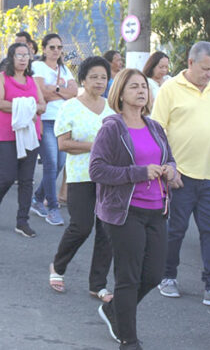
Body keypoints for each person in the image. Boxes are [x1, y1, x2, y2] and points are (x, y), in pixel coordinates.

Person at [90, 68, 176, 350]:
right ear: (121, 94)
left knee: (152, 275)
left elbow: (170, 159)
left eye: (144, 87)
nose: (141, 91)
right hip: (124, 212)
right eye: (134, 87)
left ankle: (114, 311)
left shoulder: (155, 127)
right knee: (128, 276)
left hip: (156, 210)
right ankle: (129, 340)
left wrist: (171, 171)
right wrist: (138, 172)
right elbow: (97, 169)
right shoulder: (112, 127)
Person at [152, 41, 210, 305]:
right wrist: (168, 168)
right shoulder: (170, 89)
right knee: (175, 229)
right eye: (205, 68)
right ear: (190, 62)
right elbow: (156, 131)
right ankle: (167, 276)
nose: (209, 74)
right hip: (180, 174)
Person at [48, 56, 115, 301]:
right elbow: (64, 144)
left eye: (104, 77)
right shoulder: (70, 107)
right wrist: (95, 145)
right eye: (94, 77)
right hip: (80, 176)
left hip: (109, 178)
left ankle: (98, 284)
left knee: (107, 230)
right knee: (81, 226)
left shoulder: (112, 107)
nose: (99, 82)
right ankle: (58, 266)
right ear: (83, 79)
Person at [0, 43, 46, 238]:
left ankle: (22, 221)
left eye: (26, 55)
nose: (22, 58)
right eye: (18, 55)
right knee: (8, 176)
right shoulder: (1, 78)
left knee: (27, 179)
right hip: (7, 134)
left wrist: (30, 108)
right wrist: (29, 108)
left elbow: (42, 105)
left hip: (30, 134)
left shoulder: (32, 80)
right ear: (11, 57)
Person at [31, 33, 78, 226]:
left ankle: (37, 199)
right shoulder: (37, 66)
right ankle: (52, 208)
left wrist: (56, 90)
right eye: (52, 47)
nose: (56, 51)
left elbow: (74, 93)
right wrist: (61, 92)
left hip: (64, 122)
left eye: (59, 47)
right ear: (44, 49)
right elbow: (40, 92)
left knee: (59, 165)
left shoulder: (65, 69)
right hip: (47, 120)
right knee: (51, 164)